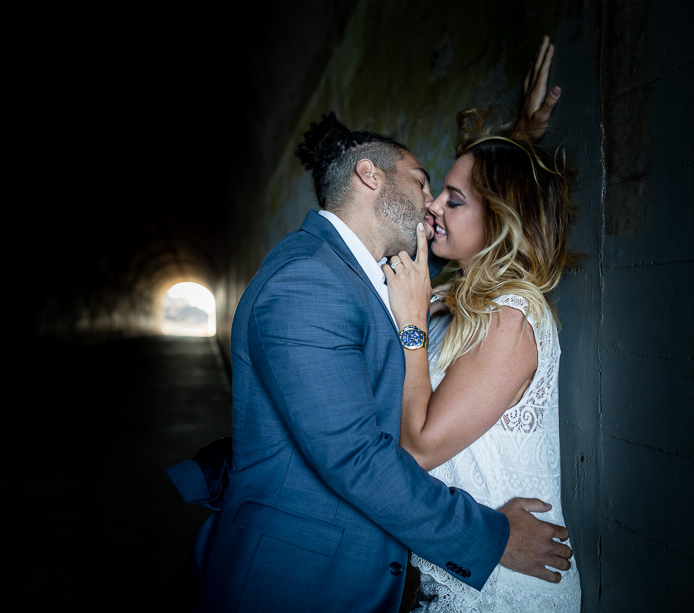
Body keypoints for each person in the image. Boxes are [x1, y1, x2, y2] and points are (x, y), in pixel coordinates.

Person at [167, 37, 569, 613]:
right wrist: (490, 537)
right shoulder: (308, 282)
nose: (431, 204)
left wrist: (519, 139)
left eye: (445, 196)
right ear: (370, 177)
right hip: (300, 580)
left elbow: (491, 207)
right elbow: (358, 457)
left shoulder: (389, 278)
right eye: (425, 181)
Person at [383, 102, 581, 610]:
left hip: (507, 588)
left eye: (453, 200)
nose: (433, 208)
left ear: (499, 219)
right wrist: (521, 136)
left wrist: (410, 328)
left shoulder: (510, 317)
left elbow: (421, 447)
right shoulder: (454, 298)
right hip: (470, 564)